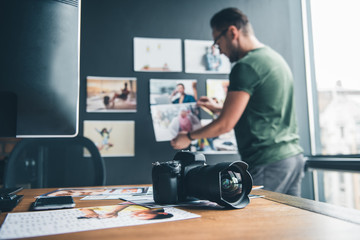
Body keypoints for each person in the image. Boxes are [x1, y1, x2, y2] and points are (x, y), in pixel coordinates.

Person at [171, 8, 304, 196]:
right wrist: (218, 108)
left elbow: (225, 125)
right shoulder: (274, 59)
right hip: (292, 158)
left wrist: (188, 137)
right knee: (286, 224)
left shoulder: (246, 66)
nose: (220, 51)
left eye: (218, 42)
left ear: (232, 32)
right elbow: (260, 110)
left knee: (256, 223)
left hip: (268, 162)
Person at [77, 204, 173, 220]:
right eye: (143, 215)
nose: (136, 214)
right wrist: (115, 210)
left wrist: (90, 213)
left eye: (138, 217)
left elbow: (83, 208)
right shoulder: (145, 207)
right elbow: (127, 201)